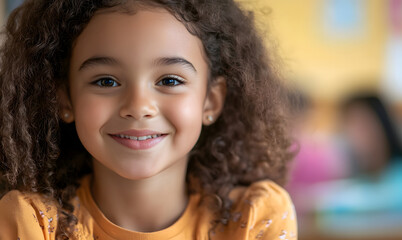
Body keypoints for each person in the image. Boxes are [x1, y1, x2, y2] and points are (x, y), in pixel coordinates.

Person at [0, 0, 297, 239]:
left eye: (169, 80)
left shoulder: (254, 218)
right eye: (105, 81)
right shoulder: (33, 224)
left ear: (211, 100)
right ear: (65, 99)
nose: (139, 107)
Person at [315, 93, 402, 214]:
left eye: (362, 125)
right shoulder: (361, 176)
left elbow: (398, 200)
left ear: (383, 127)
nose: (354, 136)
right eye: (348, 125)